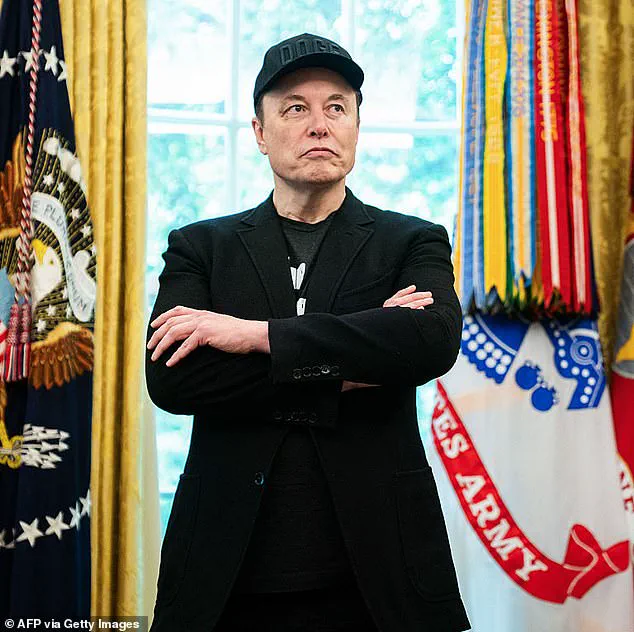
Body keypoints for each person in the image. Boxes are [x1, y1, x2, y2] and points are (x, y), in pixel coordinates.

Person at [145, 32, 471, 632]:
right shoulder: (200, 248)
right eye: (296, 108)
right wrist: (355, 361)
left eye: (337, 107)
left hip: (380, 573)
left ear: (356, 127)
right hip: (226, 574)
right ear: (260, 132)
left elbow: (429, 343)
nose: (320, 124)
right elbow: (174, 381)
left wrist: (256, 337)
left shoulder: (412, 241)